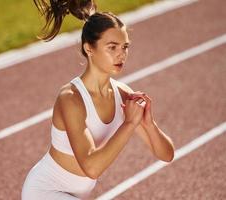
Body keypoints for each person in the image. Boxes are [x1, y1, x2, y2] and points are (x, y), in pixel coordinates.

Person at [21, 0, 175, 199]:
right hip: (44, 192)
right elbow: (91, 167)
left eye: (125, 47)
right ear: (89, 49)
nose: (121, 54)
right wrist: (129, 124)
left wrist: (149, 124)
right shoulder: (71, 98)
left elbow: (166, 155)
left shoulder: (122, 95)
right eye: (112, 47)